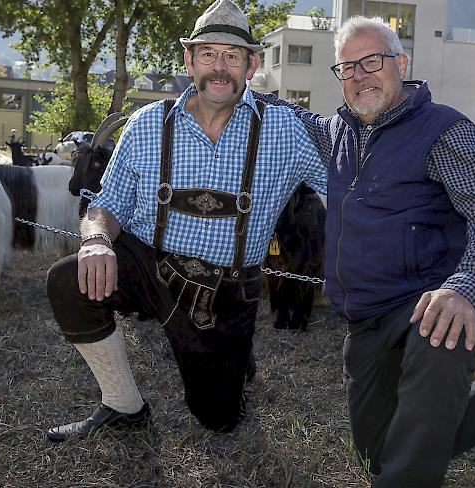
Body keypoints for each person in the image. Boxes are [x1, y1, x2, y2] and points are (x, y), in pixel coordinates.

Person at [256, 17, 475, 487]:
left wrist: (464, 290)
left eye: (372, 61)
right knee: (379, 458)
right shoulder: (338, 135)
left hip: (430, 307)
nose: (360, 75)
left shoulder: (443, 131)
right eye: (347, 68)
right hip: (365, 319)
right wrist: (241, 82)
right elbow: (291, 115)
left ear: (401, 64)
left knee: (405, 470)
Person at [44, 0, 326, 442]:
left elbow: (345, 190)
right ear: (188, 60)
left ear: (252, 65)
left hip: (226, 291)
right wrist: (97, 239)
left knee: (219, 419)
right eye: (208, 53)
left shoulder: (285, 131)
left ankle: (234, 358)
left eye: (232, 56)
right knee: (67, 280)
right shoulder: (146, 125)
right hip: (150, 267)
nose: (220, 67)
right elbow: (108, 203)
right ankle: (124, 406)